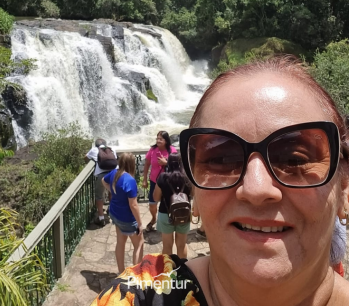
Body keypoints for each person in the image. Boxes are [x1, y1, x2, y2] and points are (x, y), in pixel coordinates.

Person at [92, 56, 349, 306]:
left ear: (344, 188)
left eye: (293, 160)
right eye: (222, 159)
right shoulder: (137, 297)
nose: (256, 189)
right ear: (195, 193)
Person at [102, 153, 144, 273]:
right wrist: (140, 224)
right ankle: (136, 276)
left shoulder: (114, 173)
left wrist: (113, 191)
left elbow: (103, 181)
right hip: (127, 218)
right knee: (139, 244)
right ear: (131, 164)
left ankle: (121, 272)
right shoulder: (130, 181)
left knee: (120, 242)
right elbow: (133, 205)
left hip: (115, 214)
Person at [153, 153, 193, 258]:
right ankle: (182, 270)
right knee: (181, 245)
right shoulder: (188, 177)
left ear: (168, 163)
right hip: (184, 213)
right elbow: (193, 194)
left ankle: (168, 271)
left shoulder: (163, 177)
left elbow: (156, 198)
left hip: (165, 214)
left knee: (167, 246)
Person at [142, 131, 177, 231]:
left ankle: (169, 220)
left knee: (168, 203)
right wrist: (145, 179)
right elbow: (147, 164)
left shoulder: (172, 150)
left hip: (168, 182)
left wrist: (166, 163)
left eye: (161, 139)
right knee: (152, 204)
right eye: (157, 138)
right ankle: (154, 219)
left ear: (166, 141)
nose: (158, 140)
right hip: (154, 181)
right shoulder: (153, 150)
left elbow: (176, 166)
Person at [85, 137, 117, 227]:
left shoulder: (94, 150)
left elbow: (85, 158)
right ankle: (112, 212)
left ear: (96, 145)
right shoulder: (111, 149)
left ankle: (101, 218)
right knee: (112, 192)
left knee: (99, 196)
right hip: (114, 174)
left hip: (102, 175)